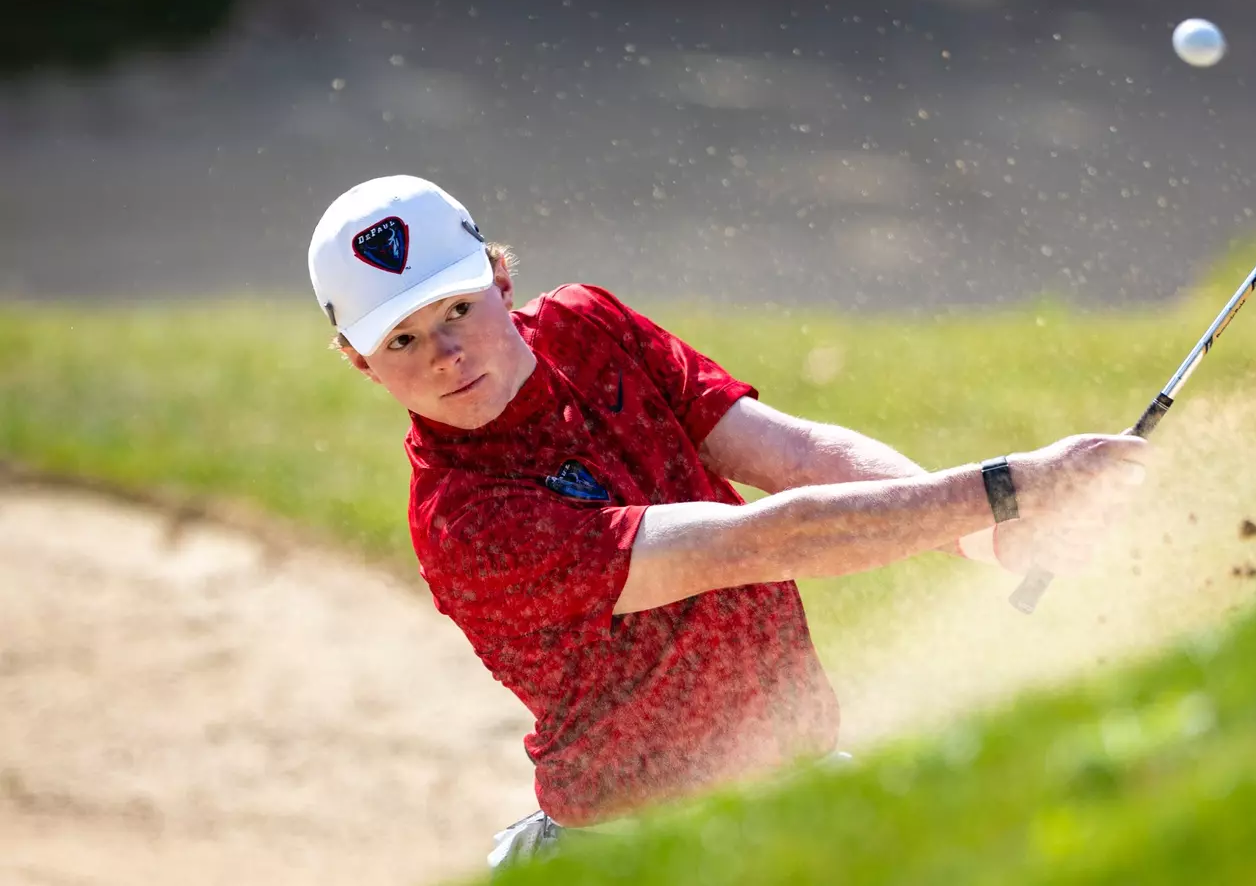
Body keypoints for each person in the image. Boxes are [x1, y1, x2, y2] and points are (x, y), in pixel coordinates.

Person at [307, 175, 1146, 872]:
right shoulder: (466, 518)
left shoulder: (589, 328)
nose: (444, 353)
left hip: (800, 789)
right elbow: (758, 542)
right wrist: (1009, 486)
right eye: (403, 340)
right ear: (359, 364)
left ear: (499, 275)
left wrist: (987, 533)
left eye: (456, 309)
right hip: (643, 852)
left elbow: (793, 451)